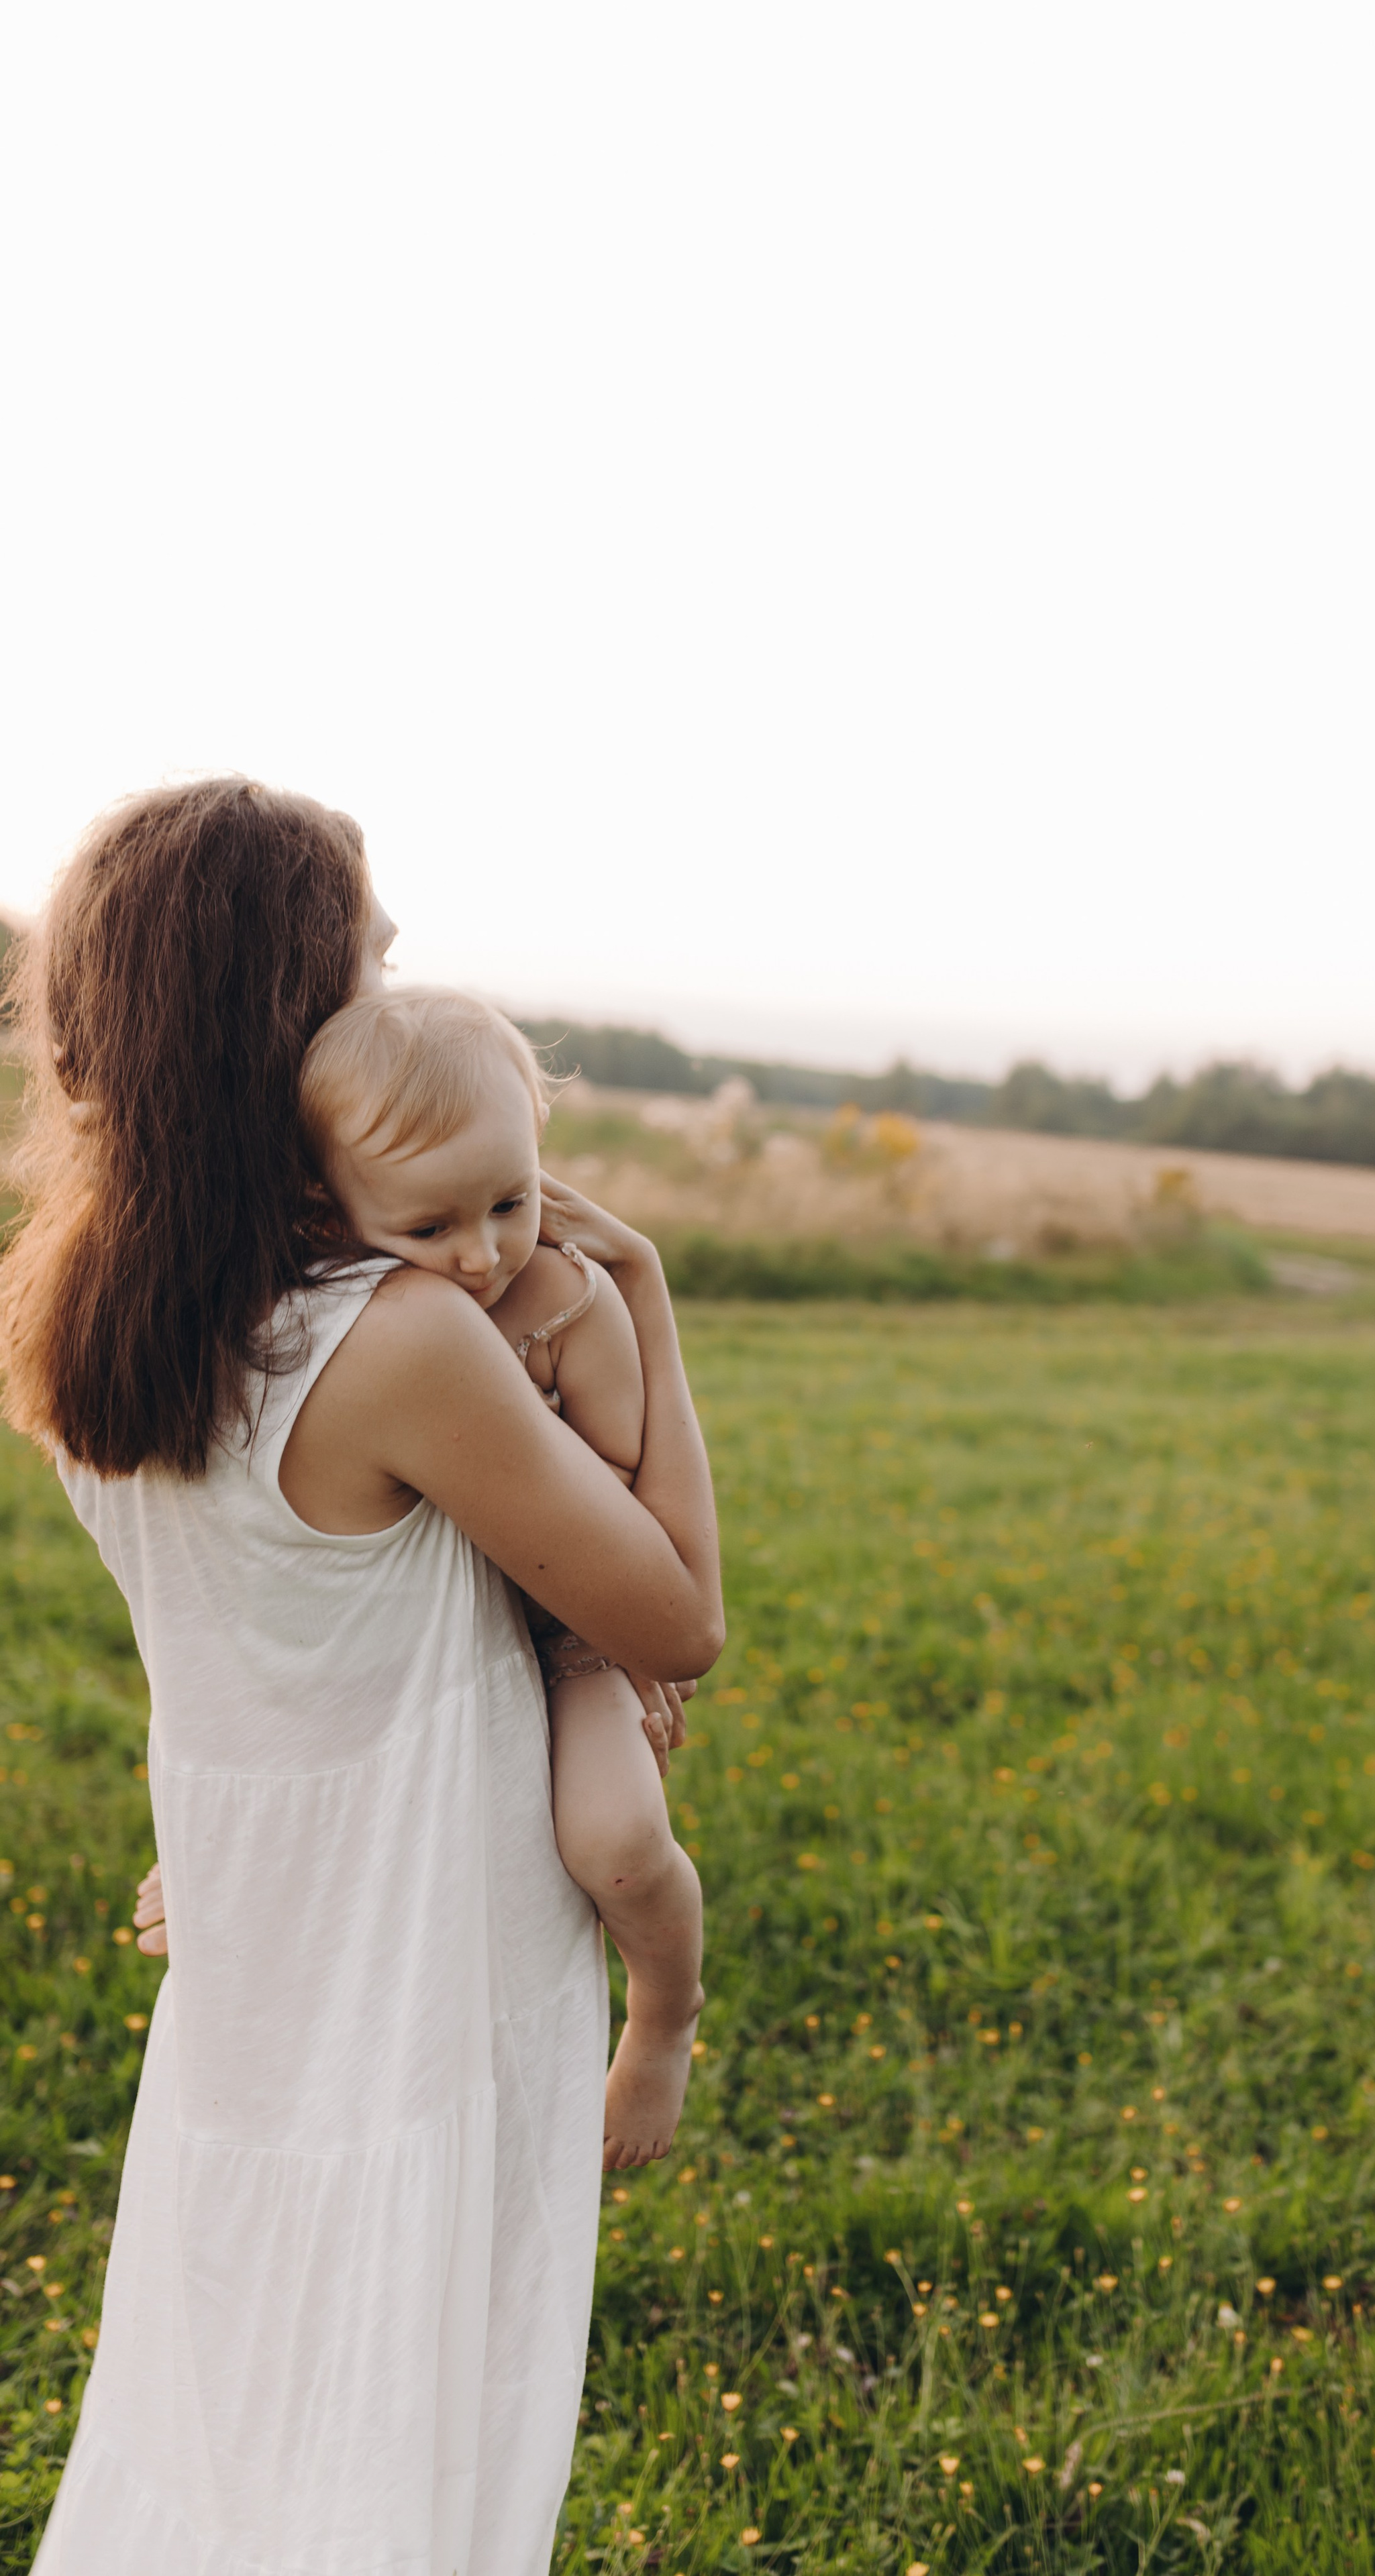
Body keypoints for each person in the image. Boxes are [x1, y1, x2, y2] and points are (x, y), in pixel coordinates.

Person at [1, 777, 723, 2575]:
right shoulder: (398, 1341)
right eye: (370, 969)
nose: (401, 995)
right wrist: (643, 1301)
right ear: (287, 1026)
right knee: (407, 2431)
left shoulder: (76, 1314)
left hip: (262, 1951)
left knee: (238, 2408)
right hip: (425, 1948)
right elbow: (675, 1620)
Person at [295, 983, 705, 2171]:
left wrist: (510, 1460)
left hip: (562, 1627)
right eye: (429, 1227)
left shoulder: (566, 1301)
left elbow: (625, 1480)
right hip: (397, 1642)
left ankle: (665, 2012)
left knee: (618, 1839)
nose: (481, 1254)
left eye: (510, 1203)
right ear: (329, 1201)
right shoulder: (333, 1315)